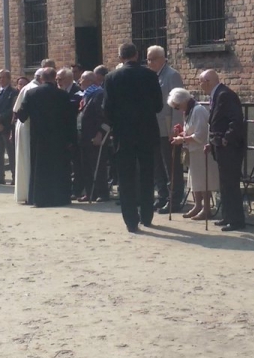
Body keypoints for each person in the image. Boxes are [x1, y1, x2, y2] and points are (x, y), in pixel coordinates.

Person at [103, 42, 163, 233]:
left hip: (123, 132)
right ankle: (147, 215)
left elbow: (107, 108)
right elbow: (159, 105)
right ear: (137, 55)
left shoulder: (111, 77)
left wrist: (116, 123)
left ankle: (131, 220)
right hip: (146, 131)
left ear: (120, 57)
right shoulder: (150, 75)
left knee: (126, 177)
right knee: (147, 173)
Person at [16, 68, 77, 207]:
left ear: (42, 79)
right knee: (59, 168)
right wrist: (71, 139)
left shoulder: (32, 93)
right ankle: (61, 197)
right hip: (59, 138)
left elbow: (22, 116)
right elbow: (70, 119)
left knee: (40, 168)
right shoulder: (62, 95)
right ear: (54, 78)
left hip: (39, 137)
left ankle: (40, 198)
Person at [199, 69, 246, 231]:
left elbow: (236, 120)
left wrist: (227, 139)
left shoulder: (224, 95)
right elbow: (216, 122)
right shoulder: (217, 95)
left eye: (201, 82)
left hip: (230, 148)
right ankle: (227, 216)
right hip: (219, 146)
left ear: (208, 81)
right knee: (224, 184)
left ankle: (236, 220)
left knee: (231, 184)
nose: (200, 85)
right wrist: (212, 143)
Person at [169, 88, 219, 220]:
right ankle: (197, 205)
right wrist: (181, 132)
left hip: (201, 151)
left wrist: (183, 139)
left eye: (177, 106)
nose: (178, 109)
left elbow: (200, 135)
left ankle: (206, 208)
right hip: (193, 151)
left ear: (183, 101)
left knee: (203, 180)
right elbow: (190, 130)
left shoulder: (198, 110)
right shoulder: (189, 111)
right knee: (195, 179)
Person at [146, 45, 185, 213]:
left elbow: (178, 103)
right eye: (148, 59)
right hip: (153, 128)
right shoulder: (151, 76)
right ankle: (162, 196)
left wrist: (176, 128)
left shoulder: (172, 75)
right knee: (157, 165)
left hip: (167, 127)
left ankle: (174, 199)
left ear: (163, 58)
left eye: (153, 59)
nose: (150, 62)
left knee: (171, 165)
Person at [77, 71, 110, 202]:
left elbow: (103, 116)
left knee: (97, 165)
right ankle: (90, 192)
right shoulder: (87, 95)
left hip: (95, 136)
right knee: (86, 165)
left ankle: (102, 193)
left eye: (82, 79)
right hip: (84, 136)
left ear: (91, 81)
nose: (80, 81)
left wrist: (100, 133)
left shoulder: (99, 94)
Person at [13, 70, 41, 204]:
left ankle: (24, 193)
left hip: (22, 125)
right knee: (28, 160)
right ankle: (30, 193)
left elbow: (17, 109)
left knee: (23, 161)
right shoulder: (35, 89)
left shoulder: (27, 87)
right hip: (28, 127)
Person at [58, 67, 84, 198]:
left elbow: (71, 108)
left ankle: (77, 189)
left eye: (60, 79)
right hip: (63, 133)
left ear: (69, 79)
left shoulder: (77, 91)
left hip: (74, 132)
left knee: (76, 163)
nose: (58, 82)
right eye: (56, 79)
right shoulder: (60, 91)